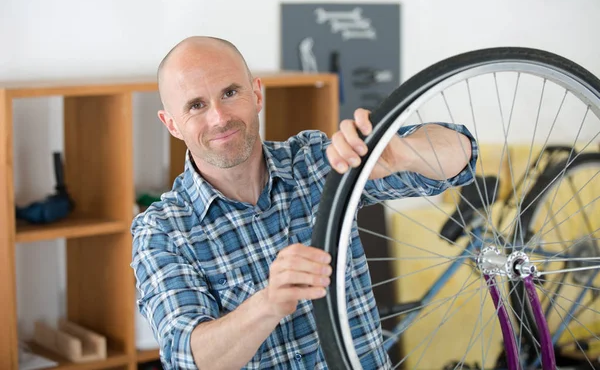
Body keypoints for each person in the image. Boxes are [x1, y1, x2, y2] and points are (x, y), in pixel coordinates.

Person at [131, 36, 478, 370]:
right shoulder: (161, 231)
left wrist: (404, 154)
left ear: (256, 94)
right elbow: (188, 358)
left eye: (231, 92)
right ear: (172, 124)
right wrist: (268, 304)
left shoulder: (313, 162)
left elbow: (462, 157)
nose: (219, 118)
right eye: (196, 105)